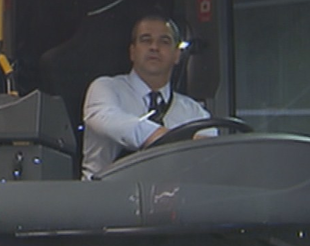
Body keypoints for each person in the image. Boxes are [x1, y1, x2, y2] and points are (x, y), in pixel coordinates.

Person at [80, 12, 211, 179]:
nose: (154, 47)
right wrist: (167, 138)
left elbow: (206, 162)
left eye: (164, 41)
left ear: (177, 55)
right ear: (132, 52)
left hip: (173, 202)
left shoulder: (195, 112)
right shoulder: (105, 88)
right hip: (105, 199)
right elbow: (110, 120)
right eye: (146, 40)